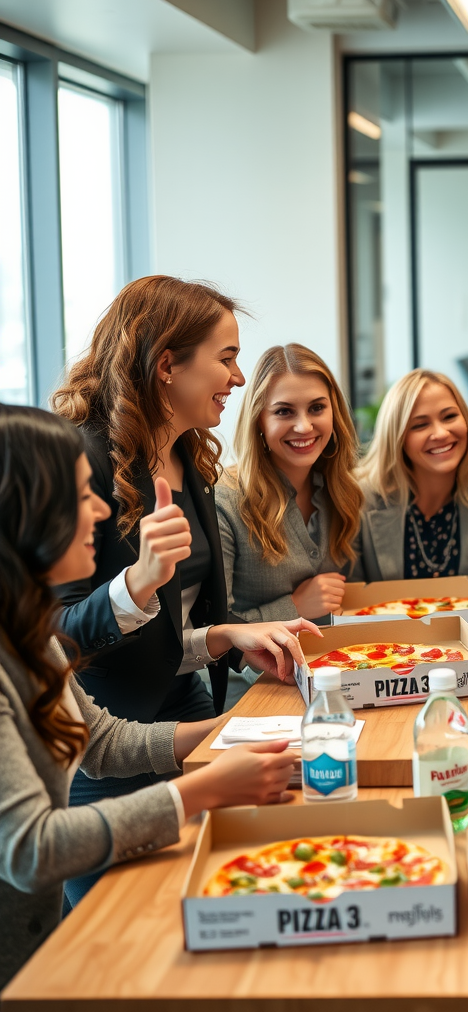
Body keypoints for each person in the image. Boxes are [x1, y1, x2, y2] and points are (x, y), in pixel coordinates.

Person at [0, 405, 298, 990]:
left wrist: (232, 734)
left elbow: (102, 743)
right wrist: (201, 787)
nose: (103, 511)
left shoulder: (29, 634)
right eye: (83, 495)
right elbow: (31, 849)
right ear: (27, 514)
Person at [50, 276, 319, 904]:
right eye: (226, 358)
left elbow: (169, 628)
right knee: (111, 937)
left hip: (186, 702)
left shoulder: (186, 454)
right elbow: (54, 635)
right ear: (167, 364)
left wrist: (222, 636)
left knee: (233, 883)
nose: (238, 377)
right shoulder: (79, 461)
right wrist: (134, 583)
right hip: (109, 740)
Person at [217, 344, 363, 643]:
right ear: (259, 418)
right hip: (256, 684)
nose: (304, 425)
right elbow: (213, 628)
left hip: (336, 665)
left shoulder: (346, 491)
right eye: (284, 411)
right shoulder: (225, 500)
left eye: (317, 408)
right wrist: (293, 607)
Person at [356, 369, 468, 582]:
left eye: (449, 416)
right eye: (420, 425)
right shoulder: (360, 497)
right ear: (396, 438)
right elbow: (350, 597)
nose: (441, 433)